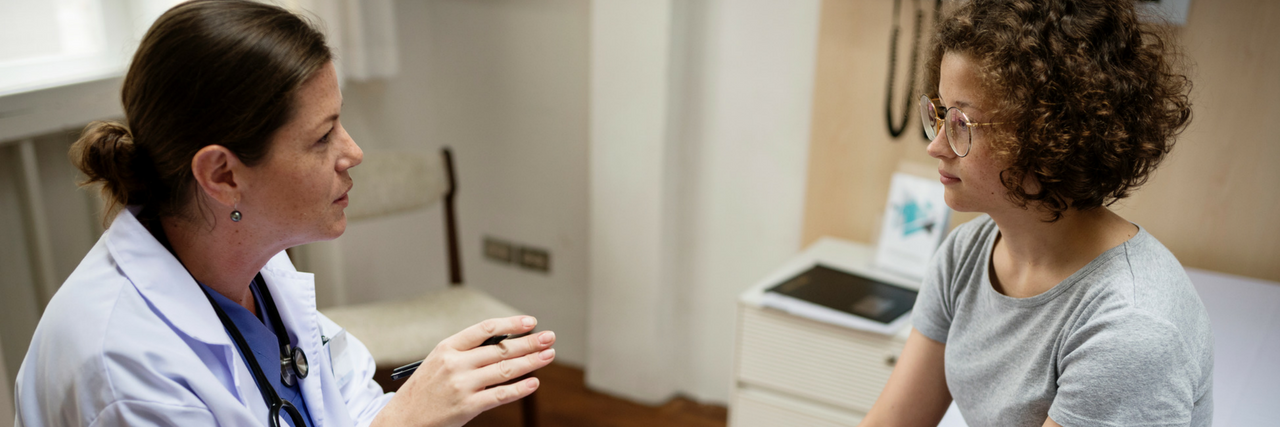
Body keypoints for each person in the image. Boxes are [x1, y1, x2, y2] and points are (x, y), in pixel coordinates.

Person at [14, 1, 556, 426]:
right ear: (223, 175)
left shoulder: (253, 263)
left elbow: (345, 406)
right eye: (322, 137)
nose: (353, 153)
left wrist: (424, 397)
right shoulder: (124, 371)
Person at [860, 0, 1211, 426]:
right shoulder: (965, 256)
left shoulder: (1130, 326)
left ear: (1050, 133)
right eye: (939, 114)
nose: (935, 146)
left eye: (961, 123)